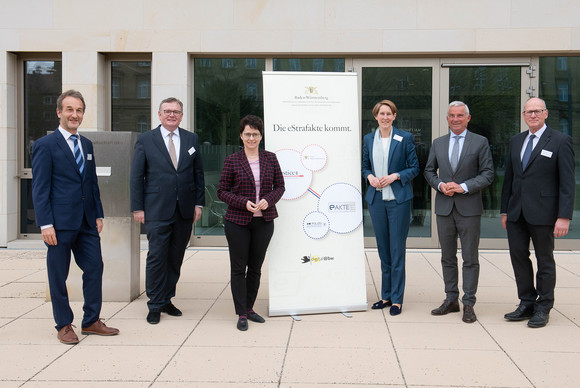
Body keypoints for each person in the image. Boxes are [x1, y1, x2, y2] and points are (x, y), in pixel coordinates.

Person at [31, 89, 119, 344]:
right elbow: (40, 187)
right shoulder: (45, 145)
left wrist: (99, 214)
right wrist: (45, 223)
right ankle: (63, 324)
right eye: (69, 109)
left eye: (79, 110)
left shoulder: (86, 144)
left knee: (95, 267)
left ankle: (91, 320)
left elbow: (91, 183)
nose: (74, 114)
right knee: (58, 274)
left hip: (87, 222)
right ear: (59, 112)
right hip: (58, 224)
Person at [500, 97, 575, 328]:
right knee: (519, 258)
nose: (532, 115)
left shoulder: (560, 141)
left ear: (546, 113)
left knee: (545, 261)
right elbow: (509, 180)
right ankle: (526, 302)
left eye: (537, 111)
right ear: (523, 115)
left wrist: (564, 216)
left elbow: (567, 183)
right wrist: (504, 211)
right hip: (516, 214)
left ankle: (544, 306)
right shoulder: (516, 141)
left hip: (545, 213)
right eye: (529, 111)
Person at [130, 97, 205, 325]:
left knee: (175, 258)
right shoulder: (146, 139)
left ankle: (166, 299)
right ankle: (154, 304)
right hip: (156, 209)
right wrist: (137, 208)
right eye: (167, 111)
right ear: (159, 114)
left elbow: (198, 173)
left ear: (181, 115)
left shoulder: (191, 138)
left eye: (176, 111)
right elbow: (136, 176)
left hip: (184, 210)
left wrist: (198, 203)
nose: (172, 115)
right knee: (156, 257)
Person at [424, 101, 494, 323]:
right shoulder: (438, 143)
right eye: (452, 115)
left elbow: (488, 174)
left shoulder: (480, 142)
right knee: (447, 257)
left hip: (469, 208)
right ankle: (451, 299)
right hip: (445, 208)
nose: (455, 119)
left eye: (460, 115)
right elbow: (428, 170)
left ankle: (469, 303)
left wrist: (463, 187)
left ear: (468, 118)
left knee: (470, 258)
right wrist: (440, 185)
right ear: (447, 118)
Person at [217, 115, 285, 331]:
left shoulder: (271, 158)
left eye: (255, 134)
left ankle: (249, 308)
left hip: (264, 221)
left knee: (255, 268)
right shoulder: (232, 160)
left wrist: (268, 200)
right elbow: (222, 191)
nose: (251, 138)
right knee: (239, 268)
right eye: (247, 134)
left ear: (261, 135)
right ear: (241, 135)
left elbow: (280, 186)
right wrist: (243, 203)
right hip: (237, 221)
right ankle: (241, 313)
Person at [362, 100, 419, 316]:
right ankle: (385, 296)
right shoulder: (369, 139)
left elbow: (414, 168)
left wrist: (396, 176)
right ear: (375, 116)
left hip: (398, 201)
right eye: (381, 113)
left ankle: (397, 299)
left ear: (394, 116)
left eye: (389, 113)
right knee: (383, 251)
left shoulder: (404, 138)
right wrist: (369, 177)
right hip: (376, 201)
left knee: (397, 251)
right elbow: (365, 166)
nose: (385, 117)